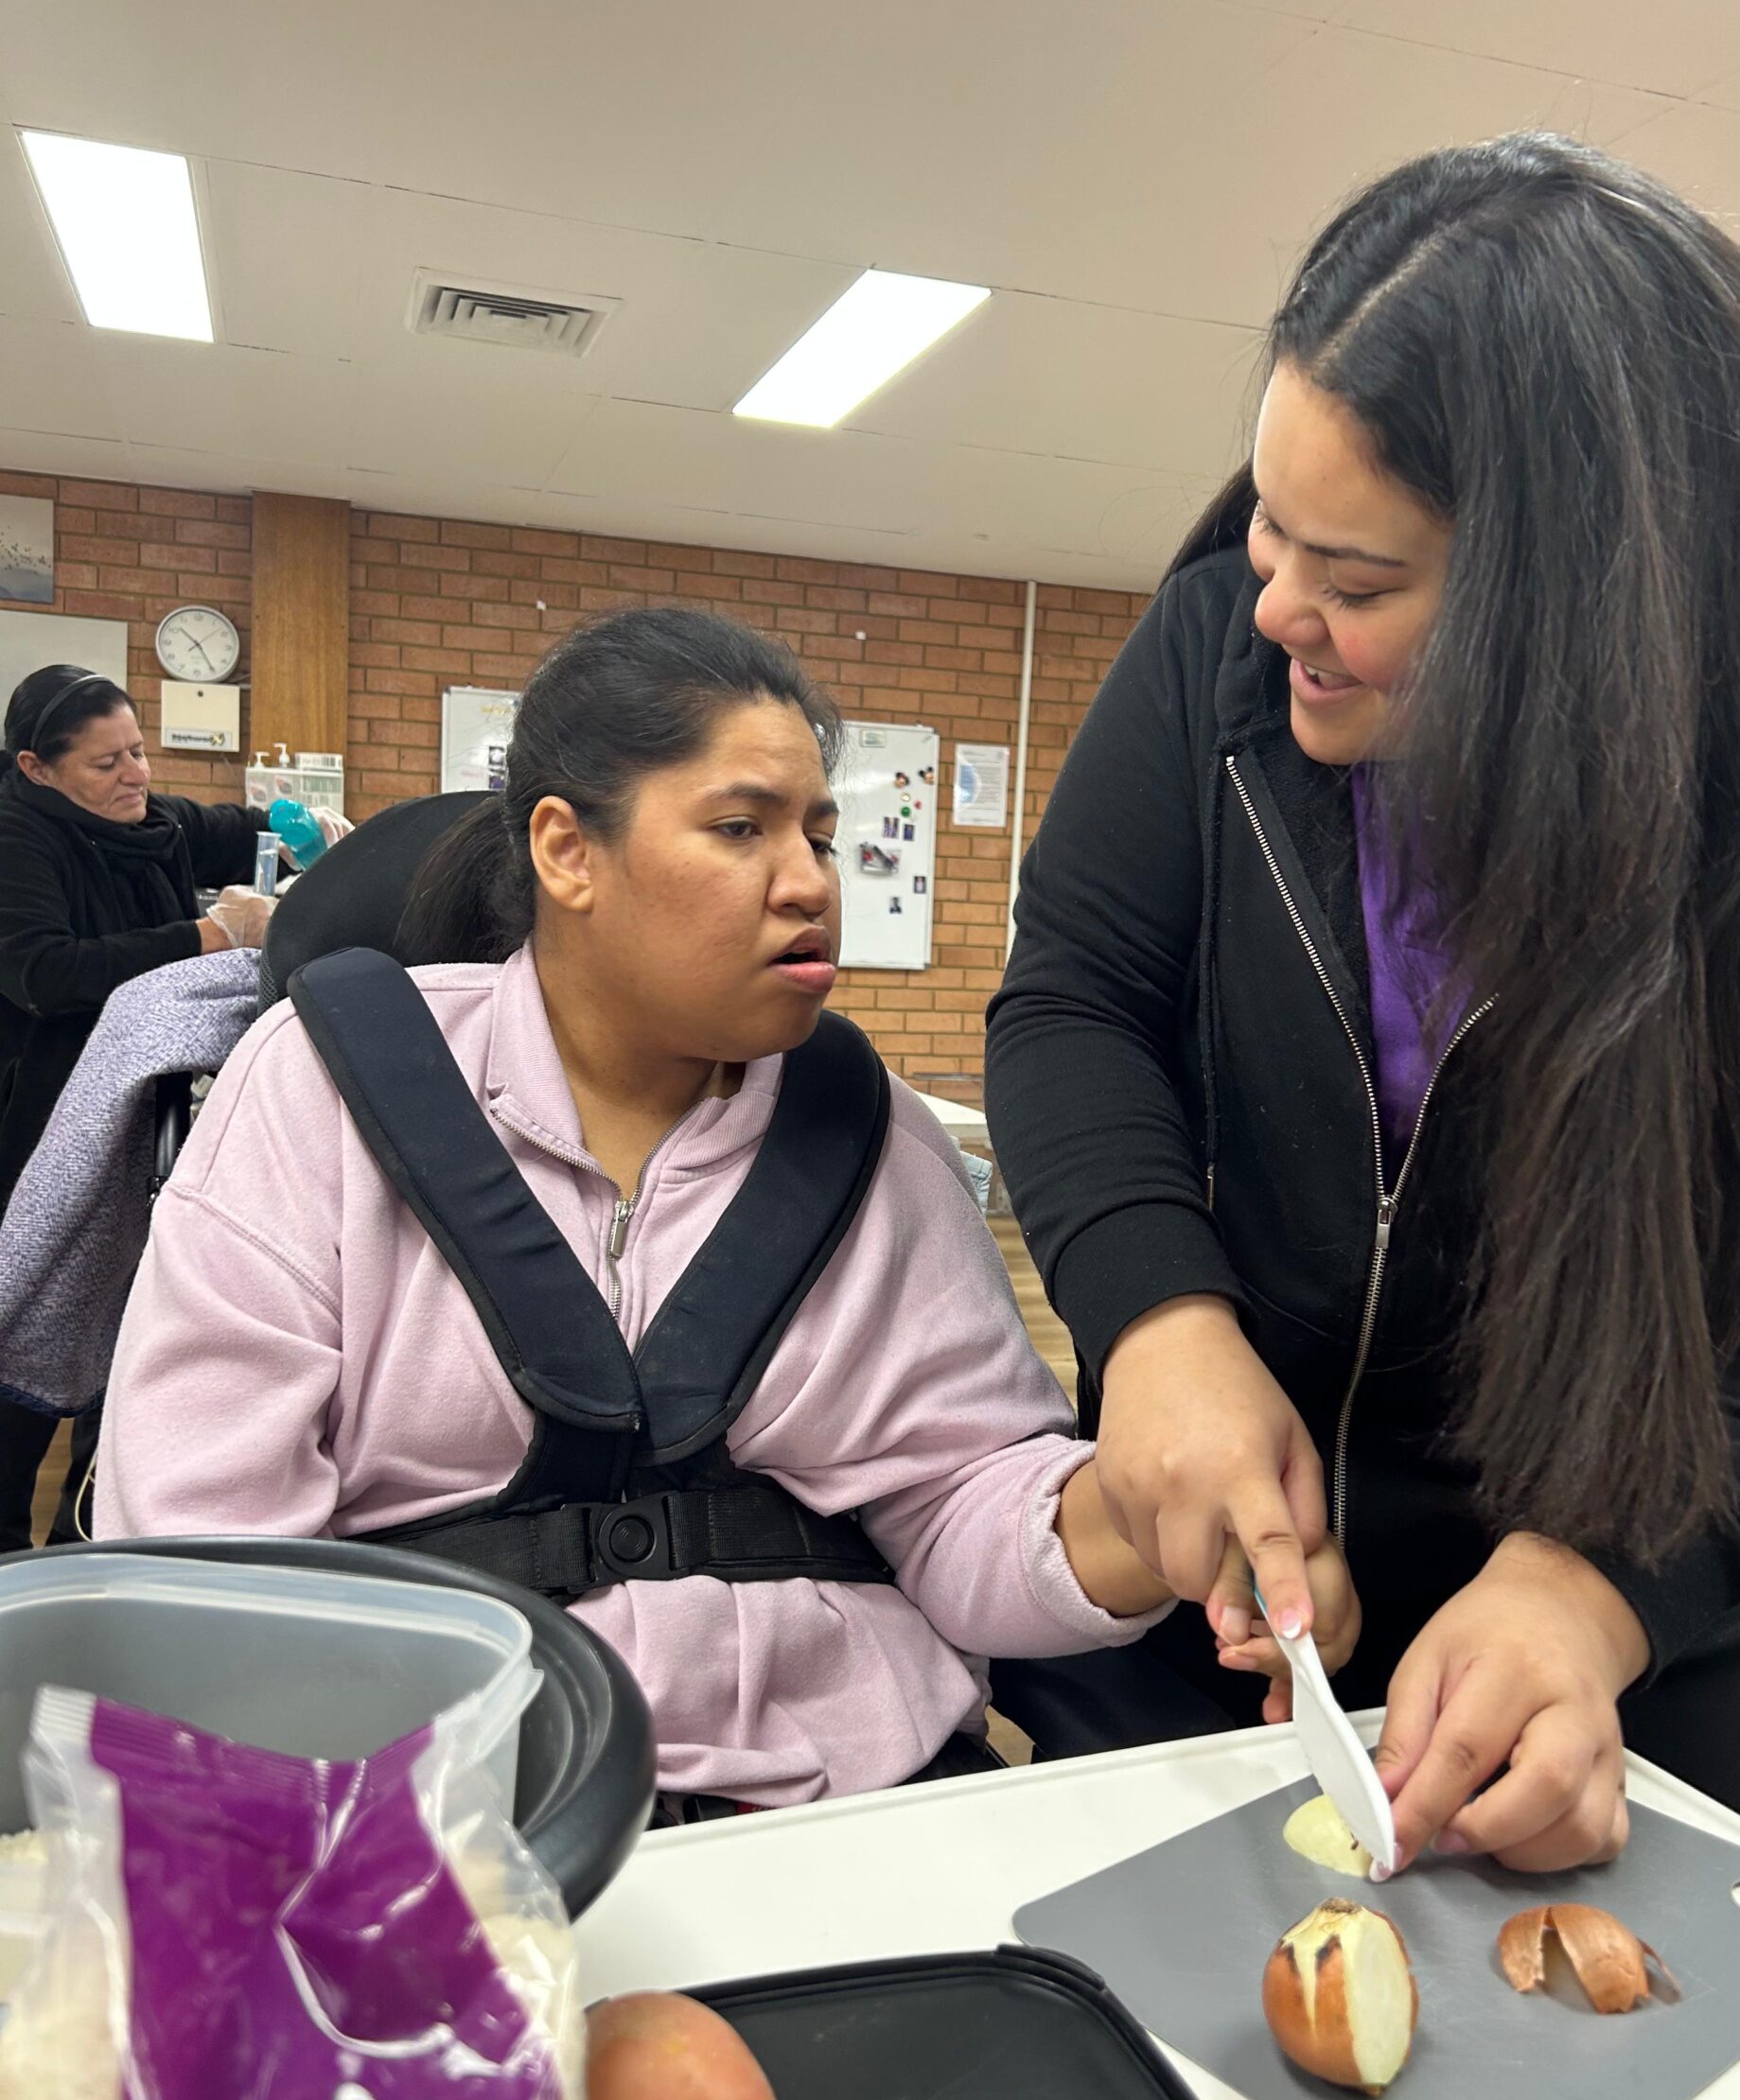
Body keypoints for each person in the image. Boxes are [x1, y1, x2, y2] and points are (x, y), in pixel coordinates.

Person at [987, 132, 1740, 1874]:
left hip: (1606, 1660)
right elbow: (1074, 1005)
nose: (1277, 607)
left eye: (1358, 584)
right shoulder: (1214, 657)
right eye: (1270, 525)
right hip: (1225, 1602)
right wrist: (1160, 1326)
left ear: (1585, 622)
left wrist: (1595, 1594)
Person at [96, 608, 1175, 1811]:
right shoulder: (318, 1092)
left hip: (845, 1809)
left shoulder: (878, 1141)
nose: (810, 883)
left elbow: (955, 1505)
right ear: (567, 851)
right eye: (740, 828)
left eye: (820, 837)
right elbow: (204, 1556)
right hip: (447, 1816)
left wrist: (1143, 1520)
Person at [0, 665, 296, 1550]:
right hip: (36, 1137)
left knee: (124, 1362)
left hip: (138, 1144)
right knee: (22, 1360)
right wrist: (213, 935)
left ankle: (92, 1551)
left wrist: (310, 831)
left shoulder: (153, 825)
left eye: (138, 751)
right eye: (106, 764)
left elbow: (241, 828)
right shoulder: (16, 839)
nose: (135, 774)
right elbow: (45, 973)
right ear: (36, 768)